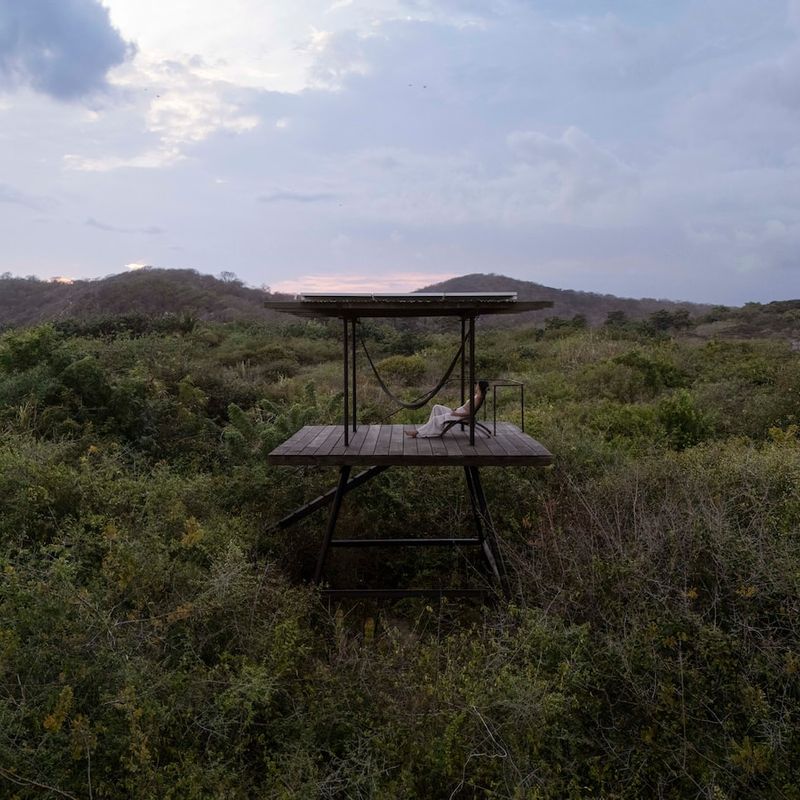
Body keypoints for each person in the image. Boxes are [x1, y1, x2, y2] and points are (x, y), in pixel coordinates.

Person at [406, 380, 489, 438]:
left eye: (477, 385)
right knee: (436, 407)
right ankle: (432, 429)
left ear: (479, 387)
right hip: (458, 412)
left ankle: (416, 432)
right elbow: (467, 406)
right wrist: (456, 409)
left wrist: (456, 414)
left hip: (462, 416)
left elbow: (470, 413)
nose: (476, 386)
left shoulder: (478, 398)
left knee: (436, 419)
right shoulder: (477, 396)